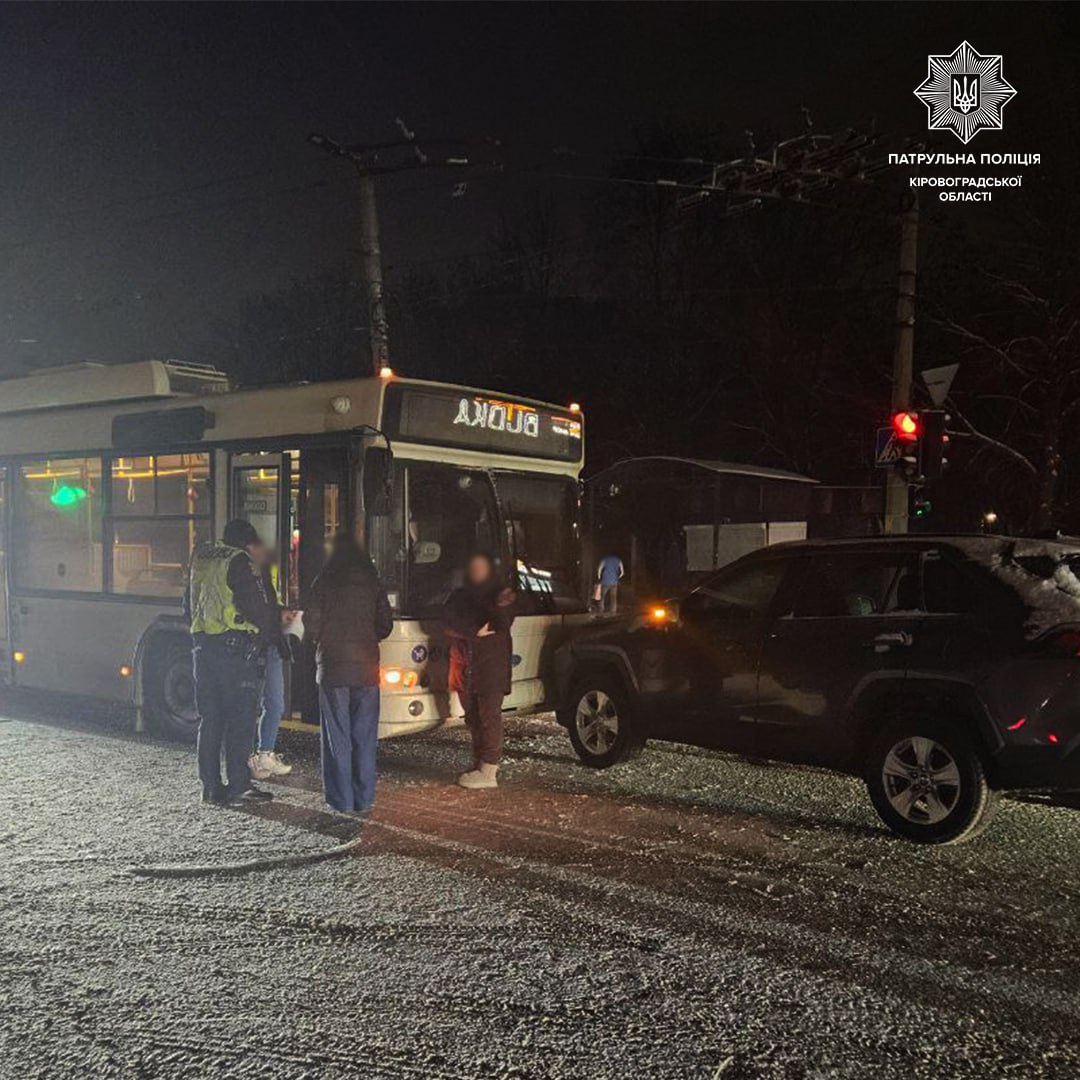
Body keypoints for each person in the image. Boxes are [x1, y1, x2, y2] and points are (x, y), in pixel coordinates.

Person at [185, 519, 282, 806]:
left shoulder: (203, 559)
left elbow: (187, 606)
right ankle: (240, 786)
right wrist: (268, 634)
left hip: (203, 651)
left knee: (211, 721)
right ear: (246, 541)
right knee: (240, 722)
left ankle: (211, 788)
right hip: (236, 653)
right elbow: (258, 609)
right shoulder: (240, 562)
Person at [305, 533, 393, 815]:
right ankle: (364, 798)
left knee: (337, 737)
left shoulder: (324, 579)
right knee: (364, 737)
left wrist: (321, 643)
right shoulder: (373, 581)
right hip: (366, 668)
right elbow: (385, 625)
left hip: (332, 668)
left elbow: (312, 621)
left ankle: (341, 800)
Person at [444, 552, 516, 790]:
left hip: (490, 670)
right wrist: (472, 630)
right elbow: (447, 622)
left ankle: (489, 769)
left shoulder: (501, 595)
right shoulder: (459, 596)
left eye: (481, 568)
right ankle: (479, 763)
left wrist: (469, 627)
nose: (477, 572)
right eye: (473, 567)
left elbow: (501, 621)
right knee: (473, 717)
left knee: (489, 718)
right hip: (466, 669)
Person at [249, 548, 294, 781]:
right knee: (252, 704)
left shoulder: (267, 572)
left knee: (275, 703)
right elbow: (256, 609)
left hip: (272, 644)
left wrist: (281, 613)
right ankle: (252, 758)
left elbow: (269, 604)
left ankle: (265, 753)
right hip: (256, 646)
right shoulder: (245, 571)